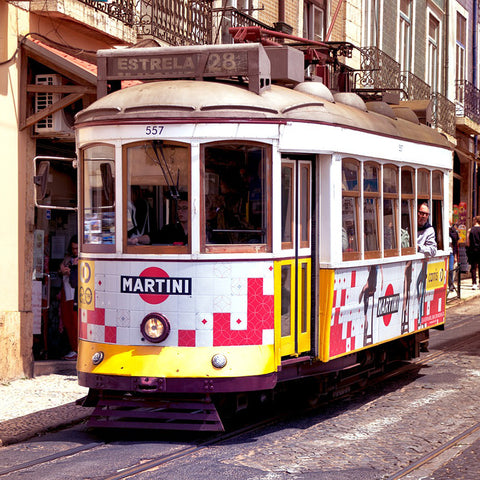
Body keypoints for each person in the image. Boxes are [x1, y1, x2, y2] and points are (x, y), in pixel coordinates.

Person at [59, 235, 78, 360]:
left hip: (76, 294)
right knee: (68, 322)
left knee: (76, 323)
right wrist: (63, 270)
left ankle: (77, 349)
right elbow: (61, 268)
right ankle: (73, 348)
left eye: (77, 248)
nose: (75, 251)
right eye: (73, 249)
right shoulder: (68, 258)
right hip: (67, 293)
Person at [467, 216, 480, 290]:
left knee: (473, 267)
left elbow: (467, 243)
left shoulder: (470, 230)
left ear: (475, 220)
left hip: (473, 250)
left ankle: (474, 283)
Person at [448, 221, 459, 291]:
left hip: (451, 253)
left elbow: (455, 246)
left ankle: (451, 285)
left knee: (451, 269)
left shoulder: (453, 233)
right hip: (444, 253)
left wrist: (455, 256)